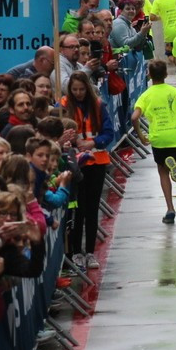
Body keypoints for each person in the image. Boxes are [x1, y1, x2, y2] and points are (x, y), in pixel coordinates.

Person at [60, 72, 114, 270]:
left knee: (92, 208)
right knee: (77, 209)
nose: (78, 93)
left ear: (87, 88)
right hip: (75, 164)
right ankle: (75, 252)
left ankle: (90, 251)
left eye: (82, 89)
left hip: (97, 162)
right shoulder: (63, 105)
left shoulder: (99, 105)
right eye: (75, 89)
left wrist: (92, 142)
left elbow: (109, 133)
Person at [133, 58, 176, 224]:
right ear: (166, 74)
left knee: (162, 171)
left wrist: (141, 135)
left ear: (149, 75)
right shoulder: (175, 92)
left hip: (159, 138)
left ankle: (170, 209)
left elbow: (134, 117)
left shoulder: (146, 95)